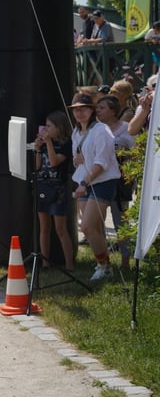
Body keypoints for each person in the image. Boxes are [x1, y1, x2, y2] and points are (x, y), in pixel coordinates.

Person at [68, 92, 120, 281]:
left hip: (102, 182)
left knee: (87, 226)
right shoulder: (76, 132)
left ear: (92, 110)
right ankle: (104, 264)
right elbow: (79, 160)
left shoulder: (101, 130)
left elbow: (101, 163)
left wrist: (83, 183)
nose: (80, 113)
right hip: (85, 181)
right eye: (76, 110)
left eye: (84, 109)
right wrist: (76, 161)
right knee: (94, 228)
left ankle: (103, 265)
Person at [95, 95, 135, 270]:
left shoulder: (125, 128)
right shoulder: (96, 129)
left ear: (113, 111)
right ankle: (104, 262)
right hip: (101, 180)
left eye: (102, 108)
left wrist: (124, 158)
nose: (98, 111)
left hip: (120, 183)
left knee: (121, 222)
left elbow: (135, 153)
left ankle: (126, 261)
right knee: (97, 222)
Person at [33, 111, 74, 271]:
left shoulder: (66, 143)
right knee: (44, 227)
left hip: (59, 188)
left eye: (49, 126)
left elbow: (55, 162)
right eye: (46, 126)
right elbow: (37, 166)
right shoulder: (44, 143)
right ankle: (45, 262)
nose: (46, 129)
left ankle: (69, 264)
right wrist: (37, 148)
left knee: (60, 228)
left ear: (59, 127)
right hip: (42, 185)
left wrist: (48, 143)